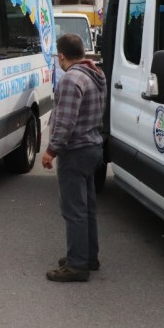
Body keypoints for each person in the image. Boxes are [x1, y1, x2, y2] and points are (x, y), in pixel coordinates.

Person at [41, 33, 106, 282]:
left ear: (61, 56)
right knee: (87, 207)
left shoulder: (71, 79)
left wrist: (51, 150)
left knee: (74, 210)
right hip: (92, 147)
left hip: (75, 151)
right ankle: (88, 256)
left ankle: (77, 265)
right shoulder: (96, 74)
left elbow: (66, 122)